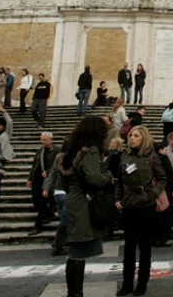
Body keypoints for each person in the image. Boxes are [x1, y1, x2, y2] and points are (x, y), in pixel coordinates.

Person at [59, 115, 114, 297]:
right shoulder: (91, 150)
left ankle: (74, 291)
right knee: (77, 251)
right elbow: (94, 177)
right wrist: (108, 177)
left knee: (76, 249)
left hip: (75, 199)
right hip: (83, 201)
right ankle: (75, 293)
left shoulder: (75, 148)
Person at [115, 126, 166, 296]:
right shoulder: (124, 156)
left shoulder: (152, 156)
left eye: (136, 136)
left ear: (143, 138)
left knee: (144, 246)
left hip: (145, 205)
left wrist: (151, 195)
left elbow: (162, 179)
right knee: (129, 247)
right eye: (130, 135)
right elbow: (119, 180)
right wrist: (117, 199)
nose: (132, 138)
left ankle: (142, 283)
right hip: (128, 205)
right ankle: (127, 283)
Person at [155, 131, 173, 247]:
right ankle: (163, 233)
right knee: (166, 209)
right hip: (168, 185)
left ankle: (169, 231)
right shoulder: (164, 153)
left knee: (172, 208)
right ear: (169, 140)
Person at [27, 132, 59, 236]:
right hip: (38, 179)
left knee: (42, 202)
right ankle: (50, 213)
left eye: (45, 140)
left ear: (51, 140)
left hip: (48, 180)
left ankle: (38, 226)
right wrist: (30, 178)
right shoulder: (40, 151)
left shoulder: (57, 150)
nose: (43, 142)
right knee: (35, 200)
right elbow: (34, 165)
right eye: (42, 140)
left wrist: (48, 172)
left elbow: (57, 165)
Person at [43, 136, 70, 256]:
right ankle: (58, 245)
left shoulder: (58, 157)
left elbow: (53, 173)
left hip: (58, 191)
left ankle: (59, 243)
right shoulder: (71, 158)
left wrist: (47, 188)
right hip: (66, 190)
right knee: (65, 219)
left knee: (65, 218)